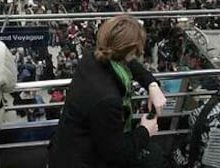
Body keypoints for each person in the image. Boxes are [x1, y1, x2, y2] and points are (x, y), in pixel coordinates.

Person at [48, 15, 167, 168]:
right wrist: (145, 131)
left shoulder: (92, 58)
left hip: (65, 149)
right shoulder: (108, 100)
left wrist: (152, 85)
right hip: (83, 160)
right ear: (131, 50)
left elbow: (130, 64)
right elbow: (115, 152)